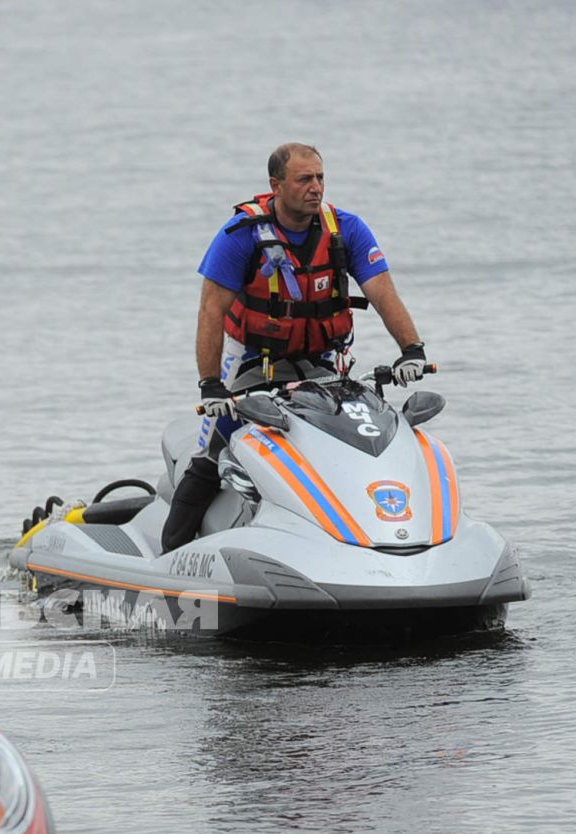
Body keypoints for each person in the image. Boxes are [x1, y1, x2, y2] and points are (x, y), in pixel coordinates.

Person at [161, 142, 429, 553]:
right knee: (215, 451)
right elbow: (211, 311)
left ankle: (363, 541)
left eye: (320, 178)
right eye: (305, 179)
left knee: (345, 444)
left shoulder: (346, 229)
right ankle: (170, 555)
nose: (315, 187)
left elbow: (381, 291)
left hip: (324, 361)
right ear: (277, 184)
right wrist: (211, 385)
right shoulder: (242, 236)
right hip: (253, 359)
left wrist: (411, 349)